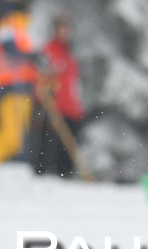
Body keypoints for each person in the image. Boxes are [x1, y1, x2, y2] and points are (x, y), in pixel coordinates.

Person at [32, 13, 84, 177]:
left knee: (69, 143)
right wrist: (44, 95)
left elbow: (73, 81)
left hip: (70, 106)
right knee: (46, 140)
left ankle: (65, 174)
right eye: (61, 28)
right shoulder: (48, 50)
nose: (64, 32)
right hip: (51, 104)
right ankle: (41, 173)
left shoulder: (70, 52)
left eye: (67, 29)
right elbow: (41, 75)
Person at [0, 0, 37, 163]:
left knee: (19, 139)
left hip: (22, 87)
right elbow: (11, 52)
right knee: (12, 139)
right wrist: (32, 58)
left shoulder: (22, 28)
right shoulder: (9, 26)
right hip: (12, 86)